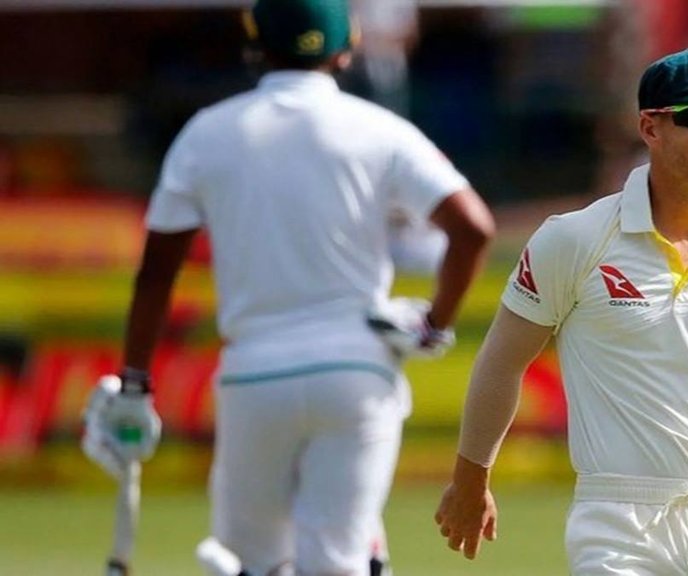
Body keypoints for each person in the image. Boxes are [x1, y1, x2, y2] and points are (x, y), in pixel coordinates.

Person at [80, 1, 495, 575]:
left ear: (254, 45)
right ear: (345, 50)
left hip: (254, 375)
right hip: (358, 372)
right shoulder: (380, 129)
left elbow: (156, 275)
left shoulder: (207, 133)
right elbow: (473, 229)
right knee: (340, 560)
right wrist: (433, 326)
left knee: (252, 563)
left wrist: (134, 384)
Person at [434, 48, 688, 576]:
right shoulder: (575, 239)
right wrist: (471, 480)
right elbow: (502, 362)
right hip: (618, 523)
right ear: (650, 127)